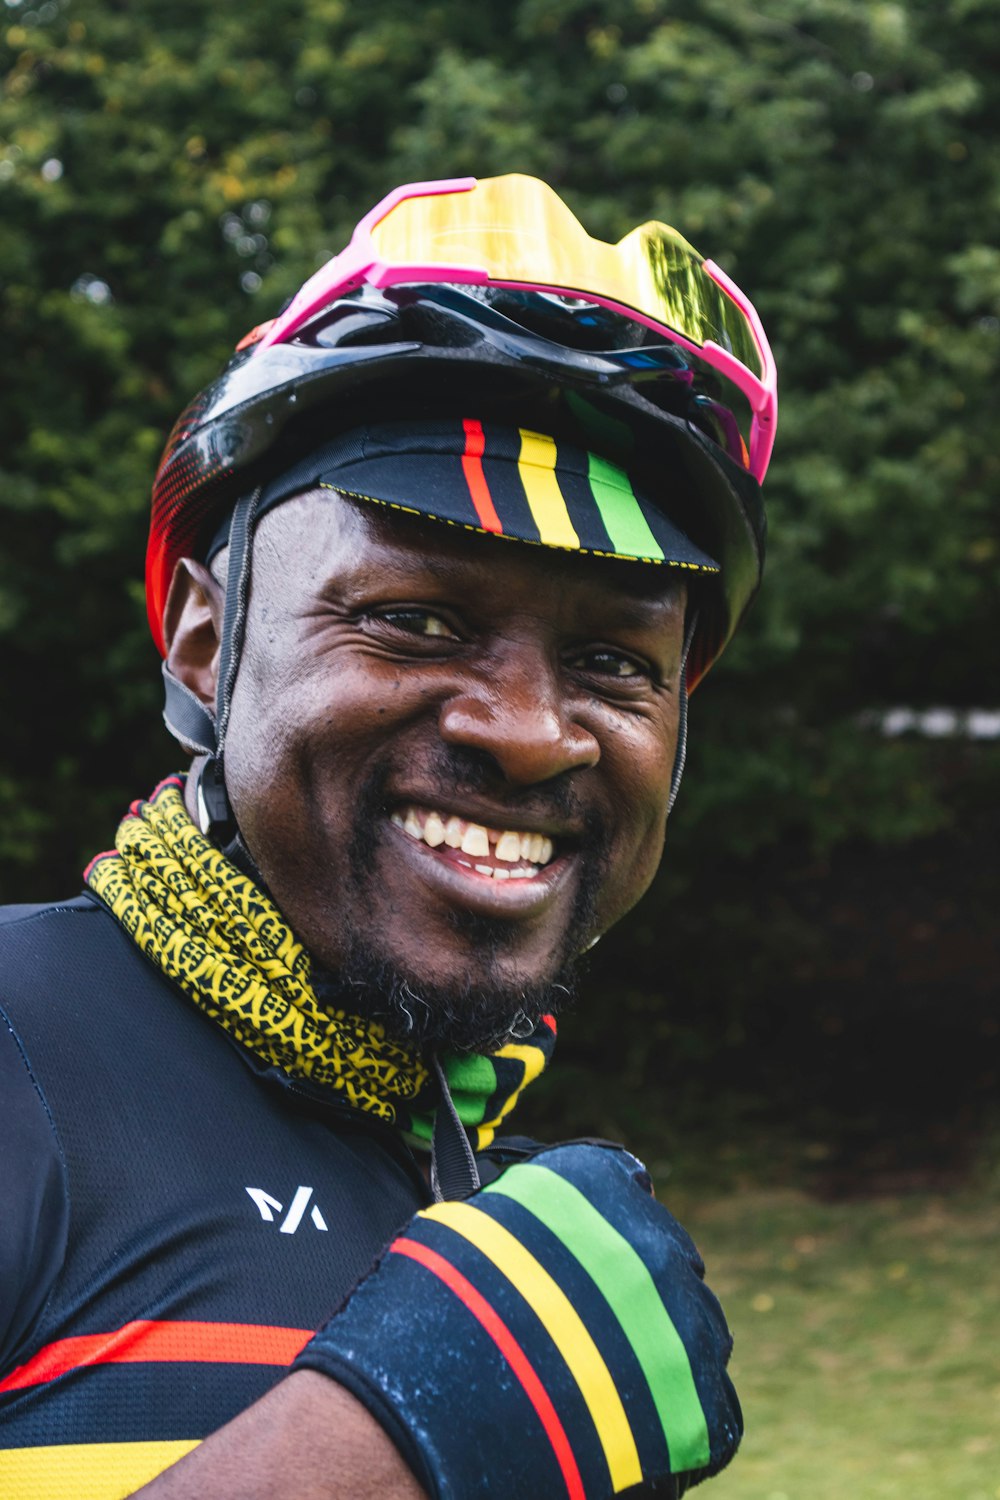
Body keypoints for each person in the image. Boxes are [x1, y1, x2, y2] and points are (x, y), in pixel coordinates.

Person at [0, 174, 775, 1499]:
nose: (532, 733)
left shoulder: (504, 1212)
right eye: (416, 619)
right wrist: (383, 1442)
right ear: (203, 638)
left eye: (610, 659)